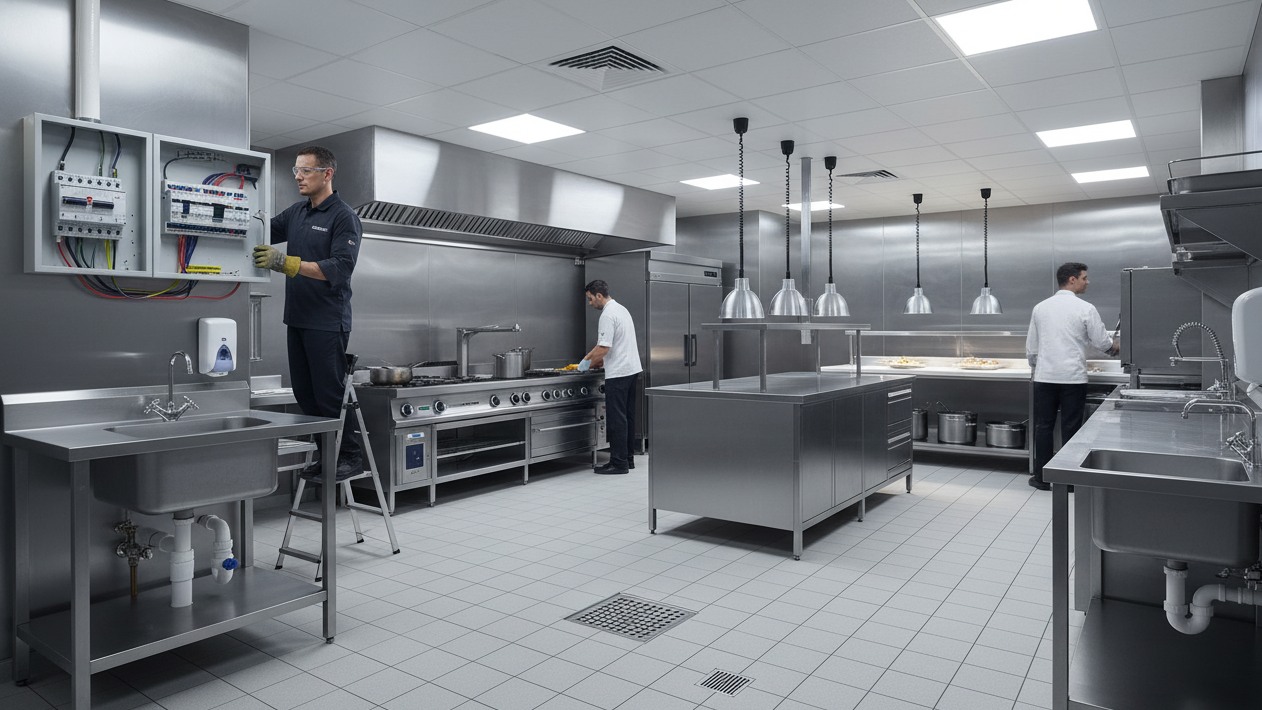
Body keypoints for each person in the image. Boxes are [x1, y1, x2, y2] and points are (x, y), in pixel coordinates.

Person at [254, 146, 363, 480]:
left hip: (327, 321)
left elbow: (341, 268)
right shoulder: (297, 213)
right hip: (297, 318)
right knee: (305, 393)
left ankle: (349, 455)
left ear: (327, 174)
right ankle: (326, 454)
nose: (298, 177)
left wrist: (285, 263)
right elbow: (260, 232)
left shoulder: (344, 217)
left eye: (306, 171)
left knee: (329, 393)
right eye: (296, 171)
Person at [1026, 262, 1119, 490]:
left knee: (1043, 427)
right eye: (1084, 278)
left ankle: (1042, 478)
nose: (1088, 282)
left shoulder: (1040, 307)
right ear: (1072, 279)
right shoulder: (1085, 308)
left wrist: (1037, 367)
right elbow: (1100, 341)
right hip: (1072, 379)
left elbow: (1032, 348)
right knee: (1071, 428)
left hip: (1045, 377)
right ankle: (1068, 482)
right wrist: (1113, 348)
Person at [580, 280, 642, 475]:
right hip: (632, 370)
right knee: (628, 417)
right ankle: (627, 459)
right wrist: (586, 358)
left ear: (599, 295)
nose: (590, 304)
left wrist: (587, 366)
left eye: (590, 299)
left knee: (617, 419)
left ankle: (618, 463)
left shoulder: (607, 315)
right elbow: (601, 345)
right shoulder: (621, 309)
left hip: (619, 372)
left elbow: (604, 349)